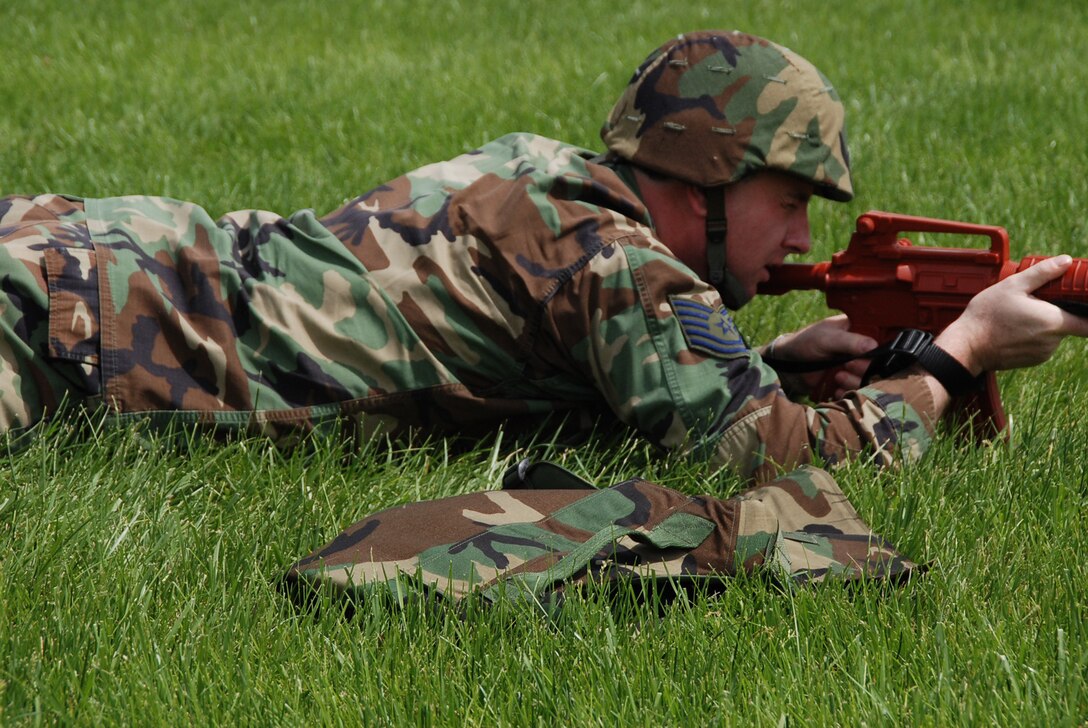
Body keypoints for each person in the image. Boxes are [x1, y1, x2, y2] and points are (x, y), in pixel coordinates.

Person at [2, 30, 1085, 481]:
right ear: (703, 175)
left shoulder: (555, 184)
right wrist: (954, 357)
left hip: (78, 256)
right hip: (66, 318)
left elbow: (593, 364)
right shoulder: (615, 263)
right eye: (788, 198)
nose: (803, 235)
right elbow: (773, 467)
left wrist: (767, 361)